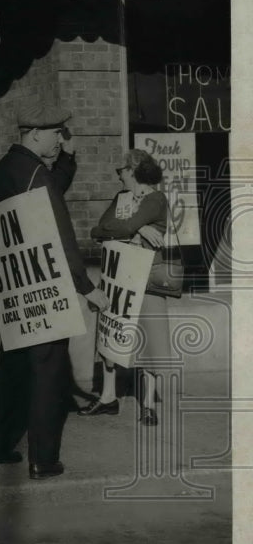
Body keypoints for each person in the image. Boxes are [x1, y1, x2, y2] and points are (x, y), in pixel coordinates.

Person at [0, 103, 109, 480]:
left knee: (11, 369)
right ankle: (43, 458)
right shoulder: (37, 172)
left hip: (16, 288)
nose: (60, 139)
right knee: (49, 373)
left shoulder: (7, 168)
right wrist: (86, 286)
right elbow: (60, 231)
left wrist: (65, 161)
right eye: (56, 133)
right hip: (44, 285)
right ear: (36, 133)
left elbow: (49, 189)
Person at [83, 149, 172, 426]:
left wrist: (133, 227)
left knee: (149, 339)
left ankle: (148, 404)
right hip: (119, 275)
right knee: (112, 333)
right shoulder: (121, 198)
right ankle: (108, 397)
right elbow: (98, 229)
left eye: (120, 170)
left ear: (133, 170)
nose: (118, 175)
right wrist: (139, 230)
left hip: (147, 279)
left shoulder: (155, 198)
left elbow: (123, 225)